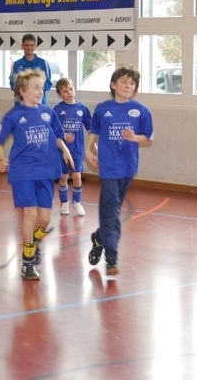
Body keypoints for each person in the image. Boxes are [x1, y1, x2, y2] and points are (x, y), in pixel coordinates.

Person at [0, 68, 74, 280]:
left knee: (45, 219)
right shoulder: (13, 115)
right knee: (30, 214)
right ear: (23, 91)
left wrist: (65, 150)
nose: (41, 91)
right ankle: (27, 262)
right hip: (23, 171)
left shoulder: (48, 112)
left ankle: (32, 244)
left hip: (45, 171)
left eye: (42, 88)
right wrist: (1, 159)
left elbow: (58, 136)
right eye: (36, 88)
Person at [84, 64, 154, 276]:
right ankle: (111, 257)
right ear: (113, 85)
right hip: (108, 166)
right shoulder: (102, 109)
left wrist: (135, 137)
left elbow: (148, 139)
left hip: (128, 167)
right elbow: (94, 132)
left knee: (113, 209)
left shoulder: (142, 111)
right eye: (123, 82)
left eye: (132, 83)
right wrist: (88, 150)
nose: (128, 85)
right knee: (111, 210)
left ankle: (99, 237)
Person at [53, 77, 92, 216]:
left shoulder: (82, 108)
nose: (69, 92)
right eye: (65, 91)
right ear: (59, 94)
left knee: (77, 177)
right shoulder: (58, 109)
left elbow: (90, 128)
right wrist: (64, 135)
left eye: (70, 89)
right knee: (63, 178)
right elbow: (54, 130)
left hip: (77, 149)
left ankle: (77, 202)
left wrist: (93, 145)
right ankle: (64, 203)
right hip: (62, 150)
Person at [9, 34, 52, 105]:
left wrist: (36, 88)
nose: (29, 47)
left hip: (39, 104)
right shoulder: (16, 64)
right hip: (21, 104)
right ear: (22, 46)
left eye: (32, 45)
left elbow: (49, 84)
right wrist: (25, 91)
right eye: (27, 45)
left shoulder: (44, 63)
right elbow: (13, 84)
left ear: (35, 46)